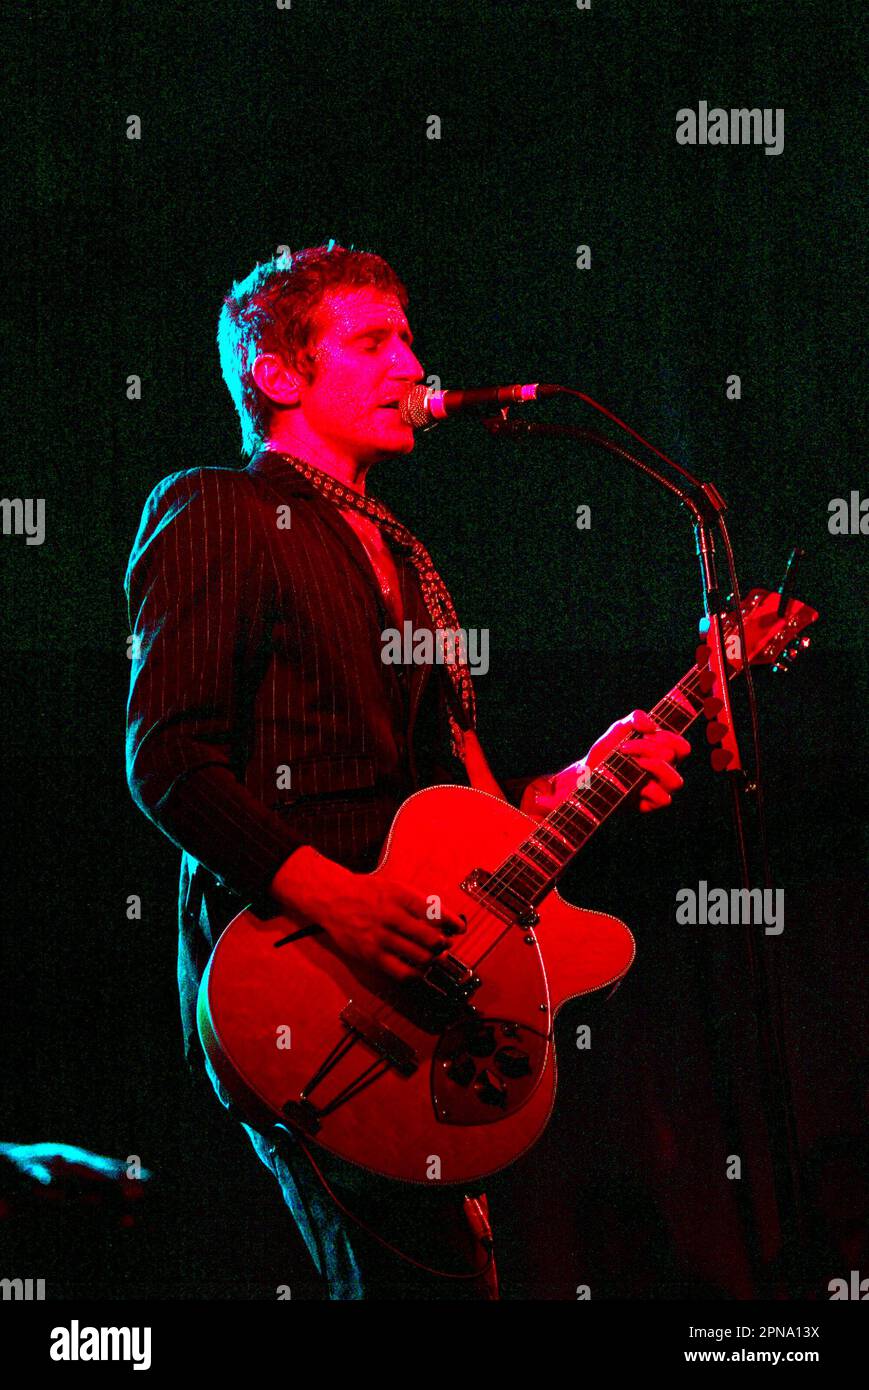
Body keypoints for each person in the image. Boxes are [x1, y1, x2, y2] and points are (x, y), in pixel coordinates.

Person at [124, 242, 690, 1299]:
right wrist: (332, 900)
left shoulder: (407, 553)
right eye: (373, 339)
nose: (413, 364)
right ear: (277, 376)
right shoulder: (218, 508)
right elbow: (165, 759)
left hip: (429, 988)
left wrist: (568, 784)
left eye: (409, 336)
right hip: (308, 982)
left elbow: (462, 815)